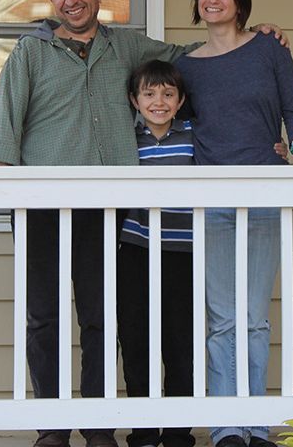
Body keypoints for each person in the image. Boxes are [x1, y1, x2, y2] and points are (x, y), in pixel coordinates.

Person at [0, 0, 286, 447]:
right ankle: (54, 429)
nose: (70, 0)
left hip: (108, 213)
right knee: (45, 319)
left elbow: (190, 55)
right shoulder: (31, 52)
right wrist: (13, 192)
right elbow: (2, 135)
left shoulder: (125, 47)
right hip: (40, 206)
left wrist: (250, 38)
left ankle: (100, 427)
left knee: (101, 320)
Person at [175, 0, 293, 447]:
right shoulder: (186, 64)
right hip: (212, 199)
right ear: (197, 2)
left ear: (240, 1)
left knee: (254, 318)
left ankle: (256, 425)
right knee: (223, 320)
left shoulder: (269, 48)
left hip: (265, 193)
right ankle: (227, 430)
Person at [117, 59, 196, 447]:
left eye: (167, 94)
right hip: (135, 249)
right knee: (136, 340)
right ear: (134, 99)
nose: (158, 101)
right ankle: (144, 431)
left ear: (180, 100)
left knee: (180, 342)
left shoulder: (195, 137)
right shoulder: (125, 139)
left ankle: (178, 431)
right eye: (149, 94)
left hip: (183, 252)